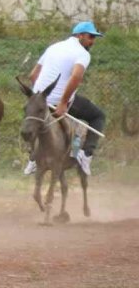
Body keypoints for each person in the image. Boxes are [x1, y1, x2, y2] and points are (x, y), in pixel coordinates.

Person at [24, 21, 105, 176]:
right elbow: (76, 77)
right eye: (90, 37)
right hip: (58, 101)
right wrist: (62, 103)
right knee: (98, 116)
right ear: (79, 35)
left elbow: (33, 75)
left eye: (94, 38)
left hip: (37, 101)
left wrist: (39, 97)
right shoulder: (83, 54)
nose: (92, 41)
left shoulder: (53, 47)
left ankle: (33, 159)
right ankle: (85, 155)